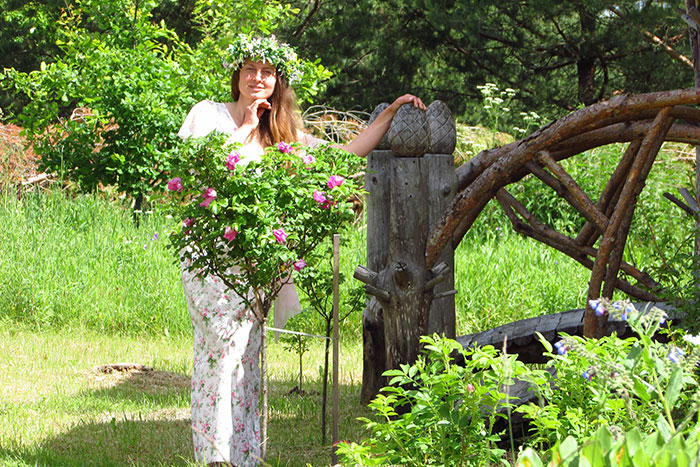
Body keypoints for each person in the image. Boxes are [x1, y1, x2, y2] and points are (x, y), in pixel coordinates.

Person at [177, 34, 424, 466]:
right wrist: (245, 129)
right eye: (250, 69)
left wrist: (387, 115)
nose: (257, 78)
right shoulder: (207, 116)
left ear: (277, 81)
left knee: (247, 361)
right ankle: (214, 456)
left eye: (267, 72)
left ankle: (245, 456)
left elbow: (339, 156)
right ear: (236, 75)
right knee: (219, 354)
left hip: (257, 267)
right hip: (210, 262)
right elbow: (197, 173)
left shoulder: (282, 138)